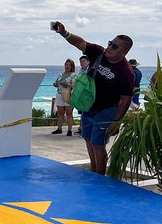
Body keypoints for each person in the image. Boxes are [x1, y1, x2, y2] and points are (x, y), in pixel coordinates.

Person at [52, 21, 134, 175]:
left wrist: (117, 121)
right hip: (88, 107)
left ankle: (99, 177)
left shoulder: (126, 72)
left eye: (115, 46)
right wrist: (65, 33)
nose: (109, 47)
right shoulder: (99, 52)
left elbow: (126, 99)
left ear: (124, 52)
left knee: (98, 144)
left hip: (106, 111)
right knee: (88, 139)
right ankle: (93, 170)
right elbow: (81, 43)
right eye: (110, 43)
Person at [51, 58, 77, 136]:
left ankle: (69, 130)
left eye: (69, 65)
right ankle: (59, 128)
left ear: (72, 66)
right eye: (66, 64)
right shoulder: (60, 74)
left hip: (68, 94)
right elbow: (57, 83)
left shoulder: (74, 75)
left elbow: (74, 85)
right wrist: (55, 84)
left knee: (69, 113)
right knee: (60, 113)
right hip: (59, 94)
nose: (67, 66)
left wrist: (67, 84)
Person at [75, 55, 90, 135]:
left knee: (86, 112)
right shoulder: (81, 70)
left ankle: (84, 130)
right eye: (81, 61)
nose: (82, 63)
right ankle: (81, 128)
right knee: (82, 113)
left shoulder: (89, 70)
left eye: (84, 61)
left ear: (88, 62)